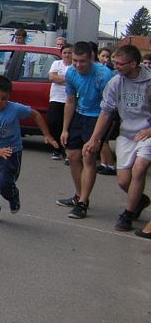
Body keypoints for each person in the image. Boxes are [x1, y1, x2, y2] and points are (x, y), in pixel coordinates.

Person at [82, 45, 151, 231]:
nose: (116, 66)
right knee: (123, 181)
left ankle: (127, 215)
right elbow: (106, 112)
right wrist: (94, 139)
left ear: (133, 64)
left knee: (140, 168)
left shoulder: (149, 80)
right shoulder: (115, 82)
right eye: (115, 62)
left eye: (120, 64)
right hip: (127, 134)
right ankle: (139, 200)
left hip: (147, 134)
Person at [0, 76, 58, 223]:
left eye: (3, 99)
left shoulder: (15, 109)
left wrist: (47, 135)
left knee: (4, 183)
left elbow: (35, 114)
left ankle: (13, 196)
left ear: (9, 96)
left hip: (12, 152)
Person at [58, 41, 116, 219]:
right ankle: (78, 195)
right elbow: (70, 100)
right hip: (80, 114)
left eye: (82, 61)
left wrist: (96, 137)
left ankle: (83, 203)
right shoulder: (71, 72)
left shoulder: (104, 75)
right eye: (75, 60)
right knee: (72, 155)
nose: (78, 65)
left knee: (88, 156)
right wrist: (65, 129)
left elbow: (109, 108)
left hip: (99, 116)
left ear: (91, 58)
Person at [48, 43, 73, 160]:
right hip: (56, 98)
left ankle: (66, 150)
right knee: (53, 123)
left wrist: (60, 79)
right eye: (65, 53)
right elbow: (52, 77)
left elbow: (75, 81)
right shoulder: (56, 63)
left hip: (69, 99)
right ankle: (56, 148)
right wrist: (68, 80)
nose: (67, 55)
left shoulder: (75, 66)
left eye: (69, 53)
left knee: (67, 125)